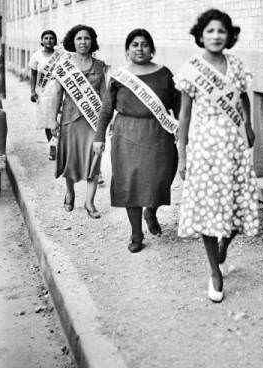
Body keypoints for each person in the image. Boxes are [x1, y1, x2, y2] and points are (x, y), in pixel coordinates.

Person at [175, 9, 259, 303]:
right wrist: (182, 155)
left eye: (221, 31)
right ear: (200, 35)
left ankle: (225, 245)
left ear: (229, 35)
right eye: (210, 31)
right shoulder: (191, 69)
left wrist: (248, 124)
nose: (215, 36)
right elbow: (183, 116)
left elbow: (244, 98)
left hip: (234, 146)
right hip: (205, 147)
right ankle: (214, 271)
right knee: (207, 209)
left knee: (237, 201)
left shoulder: (236, 65)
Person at [93, 29, 179, 253]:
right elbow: (106, 110)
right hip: (127, 134)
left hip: (158, 134)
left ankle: (151, 211)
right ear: (127, 50)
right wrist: (99, 137)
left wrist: (184, 131)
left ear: (152, 50)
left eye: (144, 44)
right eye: (134, 44)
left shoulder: (165, 74)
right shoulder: (120, 77)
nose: (139, 48)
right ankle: (136, 233)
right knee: (130, 184)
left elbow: (179, 107)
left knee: (161, 179)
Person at [47, 24, 107, 218]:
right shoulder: (64, 65)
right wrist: (52, 119)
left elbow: (105, 96)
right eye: (79, 38)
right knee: (71, 161)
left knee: (94, 161)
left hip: (93, 121)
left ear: (92, 41)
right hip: (69, 120)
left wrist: (107, 121)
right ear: (73, 41)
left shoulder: (100, 65)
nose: (83, 42)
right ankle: (70, 192)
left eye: (87, 38)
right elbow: (56, 93)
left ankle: (89, 202)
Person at [29, 29, 60, 160]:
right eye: (46, 38)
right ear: (42, 41)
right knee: (48, 120)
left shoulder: (60, 55)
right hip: (43, 91)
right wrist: (32, 91)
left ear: (55, 41)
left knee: (58, 118)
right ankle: (53, 146)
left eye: (51, 38)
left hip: (58, 89)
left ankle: (60, 145)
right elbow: (33, 74)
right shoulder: (36, 56)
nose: (49, 40)